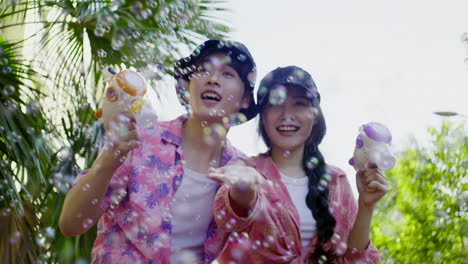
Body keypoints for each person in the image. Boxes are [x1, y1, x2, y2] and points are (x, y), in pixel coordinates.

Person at [58, 39, 258, 264]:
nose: (212, 79)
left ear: (245, 99)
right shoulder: (140, 138)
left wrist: (246, 197)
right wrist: (109, 159)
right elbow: (71, 223)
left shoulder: (242, 171)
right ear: (187, 85)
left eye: (228, 74)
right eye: (203, 70)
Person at [208, 66, 387, 263]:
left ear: (315, 115)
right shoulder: (244, 169)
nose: (286, 114)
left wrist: (365, 205)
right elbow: (226, 216)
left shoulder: (337, 181)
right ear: (263, 116)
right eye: (276, 104)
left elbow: (356, 260)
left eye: (299, 104)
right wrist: (243, 193)